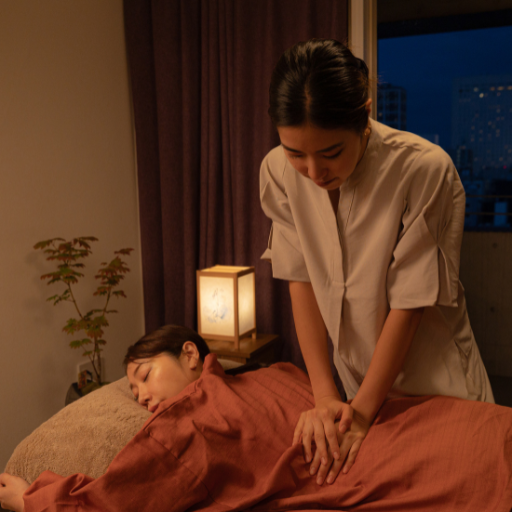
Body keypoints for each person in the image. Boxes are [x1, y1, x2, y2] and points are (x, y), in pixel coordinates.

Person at [260, 38, 494, 485]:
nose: (313, 172)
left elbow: (410, 303)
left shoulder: (422, 169)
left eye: (331, 153)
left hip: (436, 381)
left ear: (365, 116)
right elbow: (300, 281)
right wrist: (325, 396)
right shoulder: (276, 172)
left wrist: (364, 413)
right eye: (296, 153)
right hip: (356, 387)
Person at [2, 325, 511, 512]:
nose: (141, 397)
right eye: (133, 392)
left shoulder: (203, 412)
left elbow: (125, 497)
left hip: (397, 446)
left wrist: (32, 500)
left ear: (190, 354)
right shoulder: (263, 376)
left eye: (144, 376)